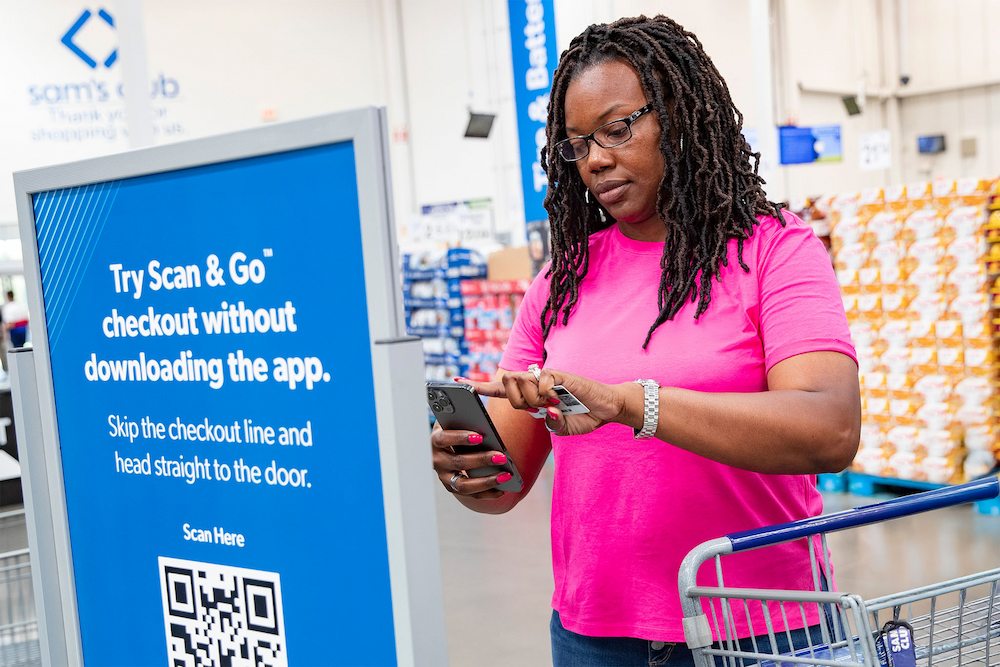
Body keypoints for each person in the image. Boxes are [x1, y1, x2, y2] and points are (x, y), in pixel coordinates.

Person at [430, 15, 860, 667]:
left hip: (761, 629)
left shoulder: (774, 249)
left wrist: (635, 404)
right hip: (595, 638)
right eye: (578, 144)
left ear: (680, 116)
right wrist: (469, 469)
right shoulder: (562, 279)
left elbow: (828, 428)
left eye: (618, 128)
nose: (596, 157)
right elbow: (506, 484)